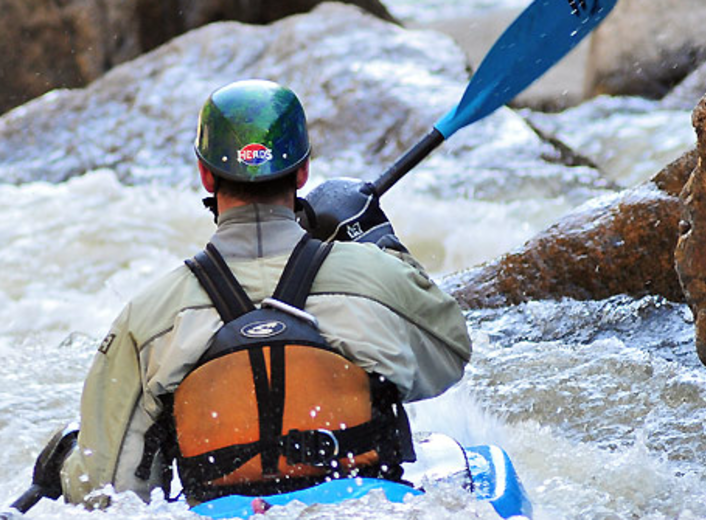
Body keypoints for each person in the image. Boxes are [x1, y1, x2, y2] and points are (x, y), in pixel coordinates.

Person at [58, 79, 472, 507]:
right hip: (365, 506)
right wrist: (381, 242)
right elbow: (450, 354)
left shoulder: (148, 318)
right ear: (303, 170)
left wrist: (66, 462)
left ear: (205, 175)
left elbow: (105, 488)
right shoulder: (377, 279)